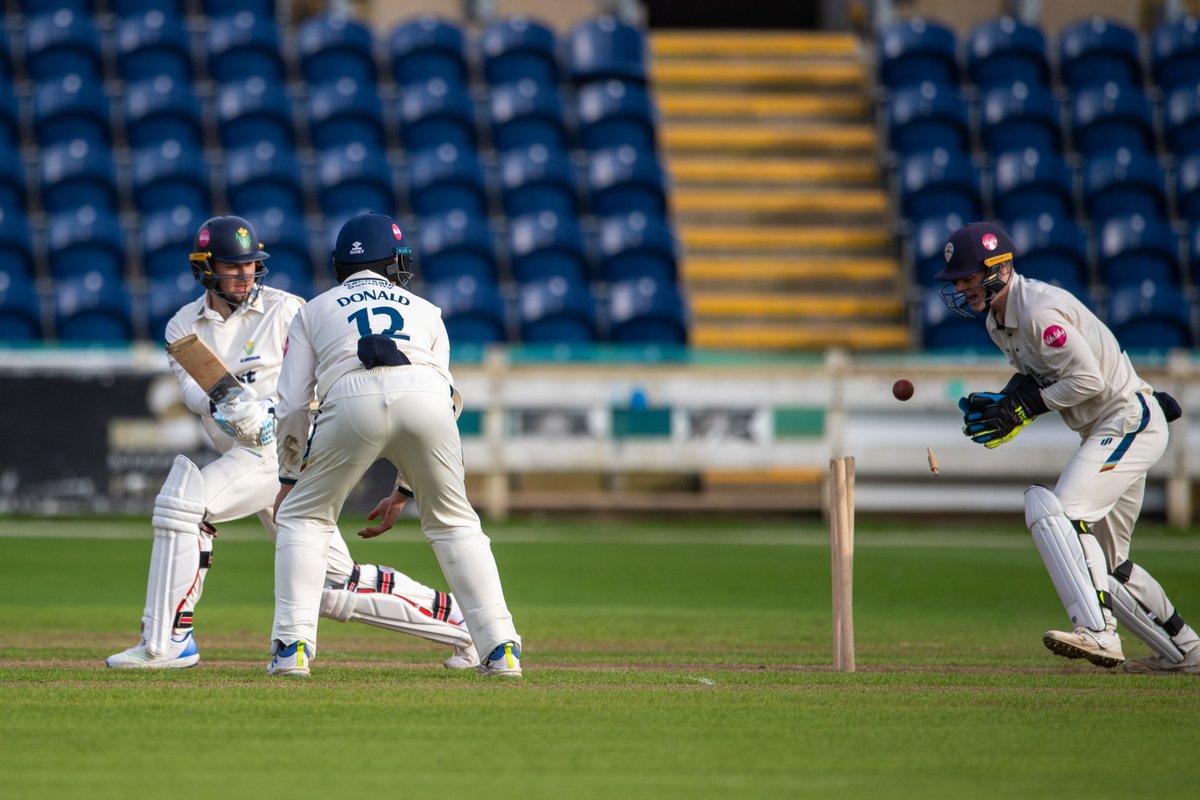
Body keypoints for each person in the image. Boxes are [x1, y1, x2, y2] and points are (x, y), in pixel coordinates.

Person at [106, 215, 479, 671]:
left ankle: (167, 642)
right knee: (333, 584)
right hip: (246, 450)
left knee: (185, 504)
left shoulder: (290, 310)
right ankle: (469, 629)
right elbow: (198, 394)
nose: (244, 274)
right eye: (231, 266)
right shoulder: (183, 327)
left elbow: (317, 381)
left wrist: (279, 422)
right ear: (205, 267)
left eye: (250, 265)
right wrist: (248, 412)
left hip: (286, 453)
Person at [267, 211, 523, 678]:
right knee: (455, 524)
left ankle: (292, 649)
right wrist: (405, 489)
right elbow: (442, 398)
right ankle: (501, 647)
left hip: (348, 395)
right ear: (392, 264)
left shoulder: (314, 309)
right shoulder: (427, 311)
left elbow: (290, 404)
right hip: (427, 396)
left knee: (303, 517)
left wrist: (288, 475)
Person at [939, 221, 1199, 675]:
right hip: (1110, 426)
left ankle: (1099, 633)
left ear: (999, 268)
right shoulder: (998, 322)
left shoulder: (1037, 310)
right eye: (957, 280)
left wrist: (1026, 409)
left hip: (1125, 422)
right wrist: (1008, 402)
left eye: (967, 277)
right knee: (1110, 564)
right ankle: (1187, 651)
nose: (961, 287)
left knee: (1060, 512)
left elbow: (1088, 380)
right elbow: (1043, 375)